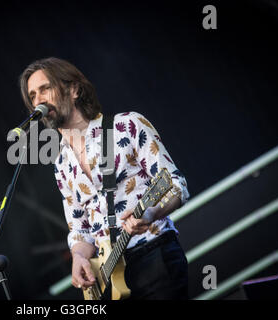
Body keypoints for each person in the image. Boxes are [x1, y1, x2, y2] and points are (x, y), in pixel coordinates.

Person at [19, 57, 190, 300]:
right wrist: (79, 257)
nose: (38, 100)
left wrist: (151, 213)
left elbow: (176, 185)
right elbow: (79, 228)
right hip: (109, 277)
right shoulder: (61, 163)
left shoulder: (127, 125)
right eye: (33, 95)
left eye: (45, 89)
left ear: (74, 90)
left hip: (154, 255)